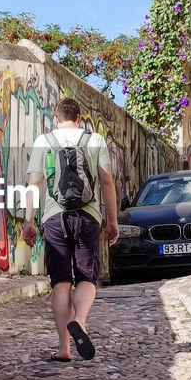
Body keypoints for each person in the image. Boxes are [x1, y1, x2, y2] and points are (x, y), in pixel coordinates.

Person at [22, 97, 119, 361]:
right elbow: (106, 181)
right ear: (79, 119)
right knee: (87, 278)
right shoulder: (95, 140)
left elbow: (34, 184)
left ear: (56, 119)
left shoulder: (45, 141)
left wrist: (29, 220)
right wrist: (112, 221)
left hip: (55, 219)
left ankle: (64, 348)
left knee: (61, 283)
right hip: (88, 217)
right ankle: (81, 322)